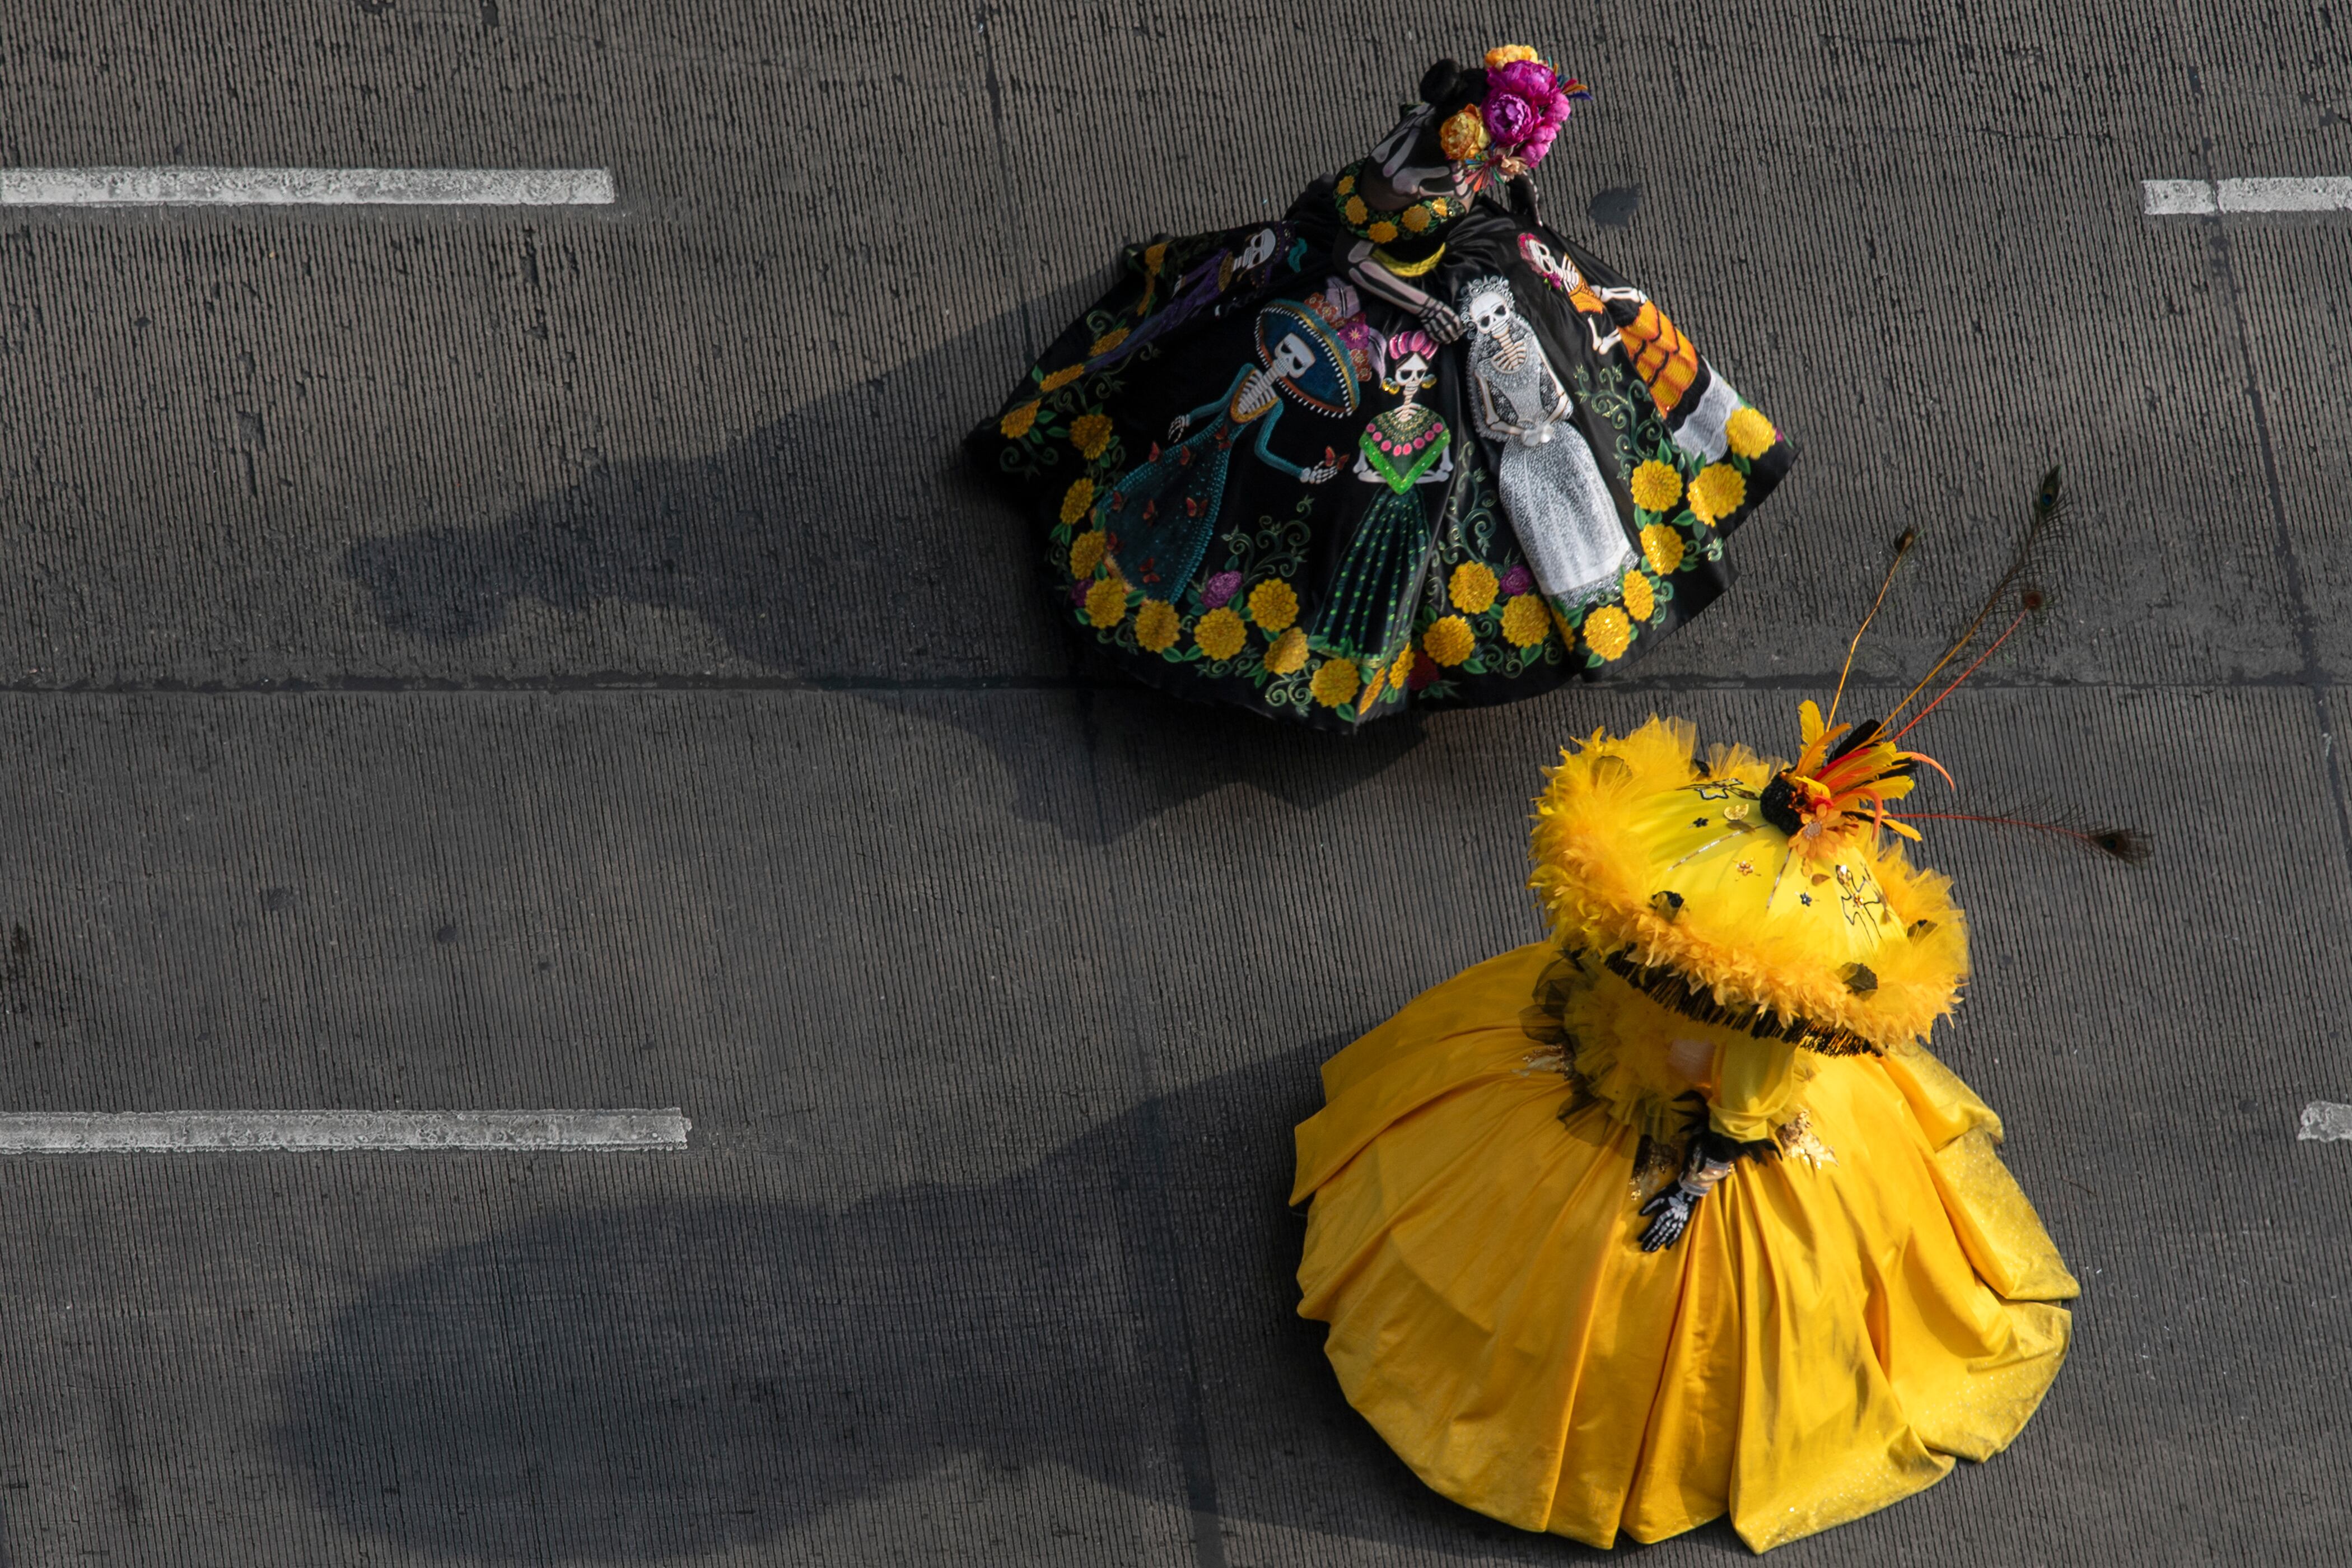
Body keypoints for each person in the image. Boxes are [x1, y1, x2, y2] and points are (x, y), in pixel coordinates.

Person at [1290, 479, 2131, 1547]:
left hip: (1648, 1114)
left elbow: (1729, 1104)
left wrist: (1694, 1187)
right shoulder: (1738, 972)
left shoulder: (1728, 969)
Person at [970, 48, 1795, 729]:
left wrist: (1519, 224)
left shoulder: (1456, 165)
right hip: (1372, 295)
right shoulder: (1405, 173)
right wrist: (1428, 310)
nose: (1486, 161)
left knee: (1543, 395)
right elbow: (1356, 259)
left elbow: (1489, 202)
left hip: (1459, 273)